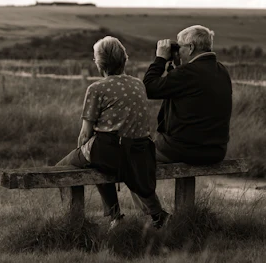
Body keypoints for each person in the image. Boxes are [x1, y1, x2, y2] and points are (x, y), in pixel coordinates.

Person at [56, 36, 171, 229]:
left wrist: (81, 152)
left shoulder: (96, 88)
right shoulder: (138, 84)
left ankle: (84, 222)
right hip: (139, 153)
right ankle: (146, 216)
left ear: (99, 64)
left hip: (109, 152)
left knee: (63, 168)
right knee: (100, 161)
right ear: (124, 59)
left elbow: (85, 133)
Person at [143, 25, 232, 165]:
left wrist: (160, 59)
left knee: (135, 154)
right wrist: (177, 66)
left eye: (179, 47)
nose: (178, 52)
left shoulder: (187, 73)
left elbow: (148, 88)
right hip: (216, 151)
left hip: (183, 150)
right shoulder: (221, 70)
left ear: (190, 48)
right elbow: (186, 89)